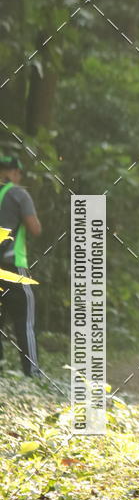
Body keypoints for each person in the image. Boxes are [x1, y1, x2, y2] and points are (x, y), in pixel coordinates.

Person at [0, 155, 42, 377]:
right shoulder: (19, 194)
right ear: (15, 173)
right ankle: (31, 371)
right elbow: (35, 229)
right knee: (24, 320)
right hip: (13, 266)